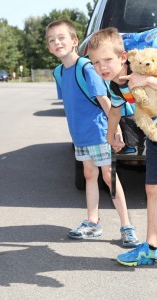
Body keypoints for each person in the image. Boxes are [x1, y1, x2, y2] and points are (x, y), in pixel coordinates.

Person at [88, 27, 157, 274]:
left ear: (123, 57)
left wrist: (147, 80)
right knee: (152, 189)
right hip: (155, 138)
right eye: (95, 62)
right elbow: (114, 109)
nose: (102, 67)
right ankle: (151, 248)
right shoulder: (115, 85)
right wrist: (110, 134)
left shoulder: (144, 67)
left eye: (108, 60)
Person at [46, 19, 139, 247]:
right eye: (51, 40)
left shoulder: (87, 68)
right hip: (80, 135)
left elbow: (105, 100)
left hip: (99, 131)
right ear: (48, 47)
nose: (57, 42)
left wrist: (114, 130)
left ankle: (127, 226)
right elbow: (70, 103)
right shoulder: (59, 72)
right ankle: (93, 222)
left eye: (62, 38)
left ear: (75, 42)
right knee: (89, 174)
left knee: (110, 177)